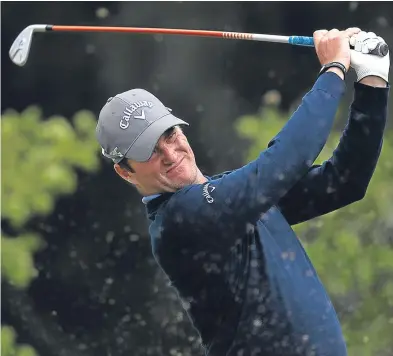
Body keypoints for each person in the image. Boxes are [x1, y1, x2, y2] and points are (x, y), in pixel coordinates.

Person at [96, 28, 390, 356]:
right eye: (149, 149)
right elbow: (280, 165)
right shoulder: (177, 220)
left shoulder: (239, 196)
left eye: (169, 133)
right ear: (125, 172)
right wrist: (333, 71)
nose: (169, 152)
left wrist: (371, 82)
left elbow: (345, 181)